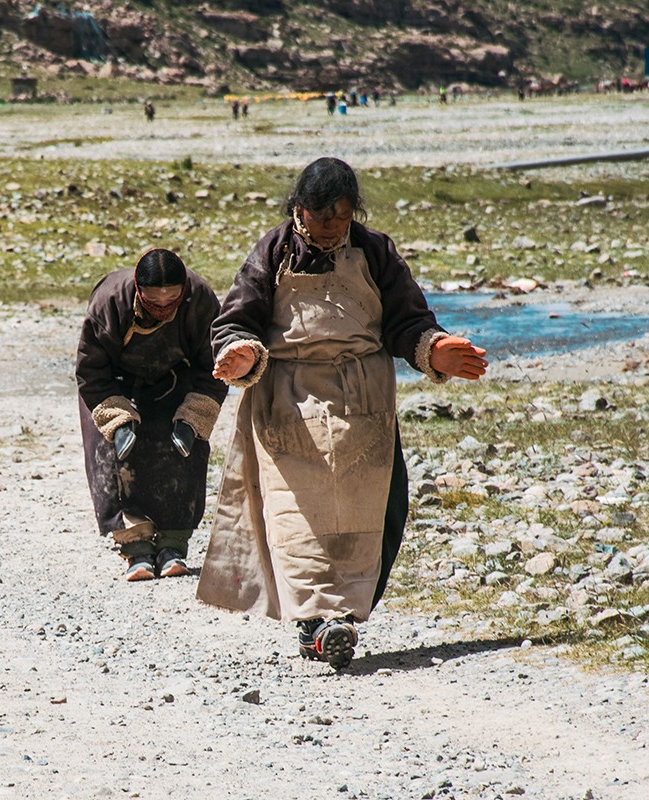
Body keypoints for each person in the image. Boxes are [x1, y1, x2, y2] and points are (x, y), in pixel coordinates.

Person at [195, 157, 487, 670]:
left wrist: (431, 348)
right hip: (287, 398)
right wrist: (240, 351)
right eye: (318, 215)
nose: (329, 226)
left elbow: (408, 320)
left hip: (363, 404)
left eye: (340, 216)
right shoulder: (274, 250)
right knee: (295, 519)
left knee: (365, 515)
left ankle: (341, 619)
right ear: (297, 210)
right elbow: (236, 318)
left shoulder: (375, 252)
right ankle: (314, 624)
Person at [76, 249, 227, 581]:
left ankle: (173, 544)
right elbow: (91, 371)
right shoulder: (109, 303)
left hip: (176, 379)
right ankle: (136, 548)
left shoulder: (201, 300)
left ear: (183, 289)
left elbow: (214, 367)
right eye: (153, 303)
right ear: (137, 288)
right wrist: (116, 421)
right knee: (112, 454)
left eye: (172, 301)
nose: (163, 309)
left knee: (183, 451)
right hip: (114, 384)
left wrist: (193, 419)